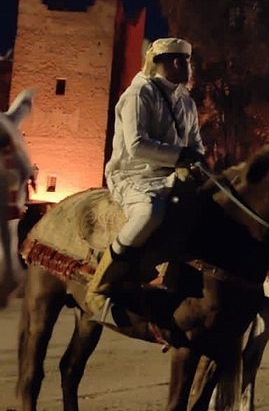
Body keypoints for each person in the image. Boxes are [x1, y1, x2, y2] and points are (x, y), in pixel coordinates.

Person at [85, 37, 205, 325]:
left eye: (187, 61)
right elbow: (137, 145)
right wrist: (180, 156)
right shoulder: (139, 95)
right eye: (181, 61)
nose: (186, 67)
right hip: (133, 174)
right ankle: (100, 285)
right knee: (150, 211)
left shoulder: (186, 101)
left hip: (172, 174)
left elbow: (196, 146)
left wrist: (195, 160)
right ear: (166, 63)